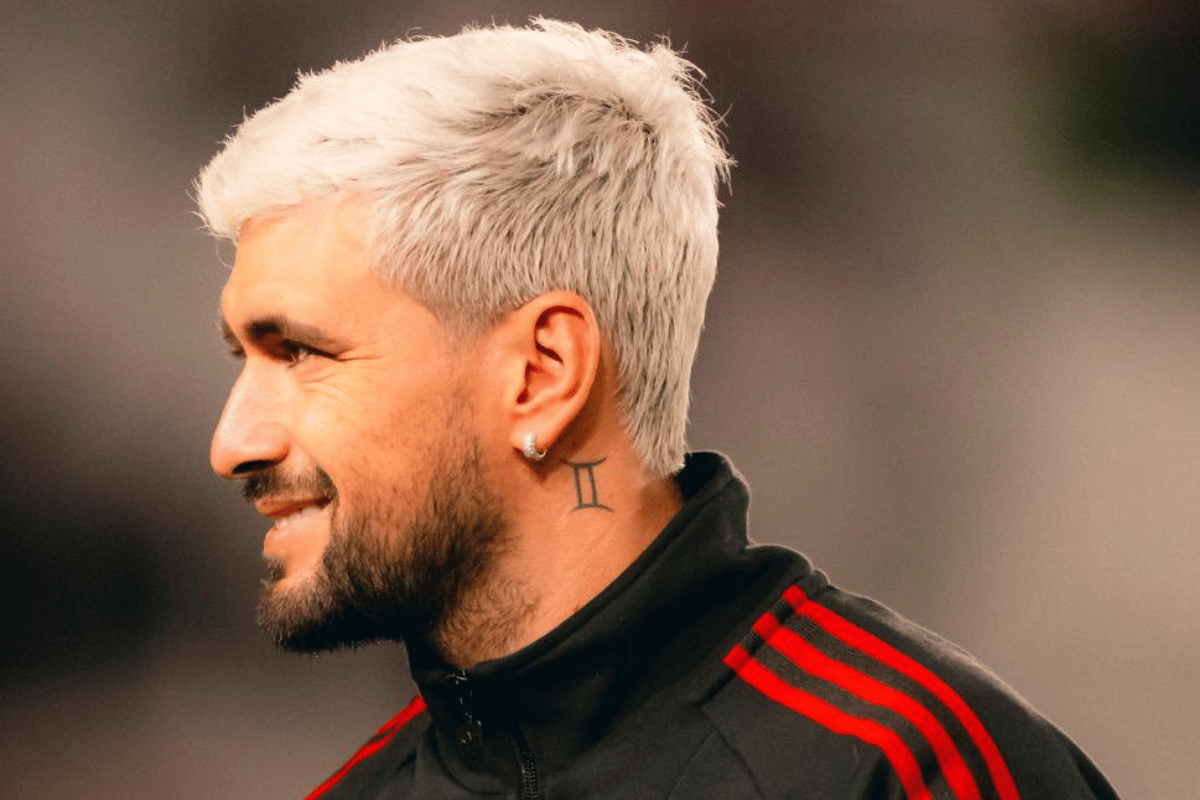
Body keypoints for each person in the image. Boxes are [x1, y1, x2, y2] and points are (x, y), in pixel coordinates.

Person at [198, 18, 1121, 800]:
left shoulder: (911, 767)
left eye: (300, 353)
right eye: (247, 357)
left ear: (543, 373)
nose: (232, 442)